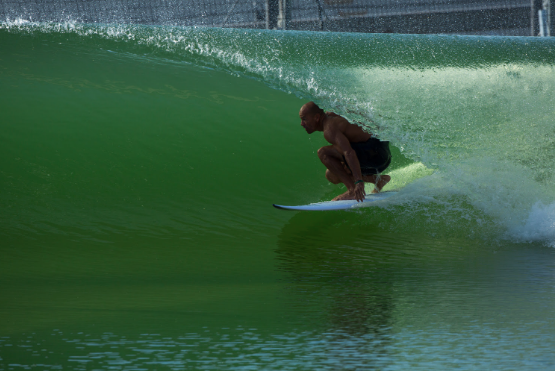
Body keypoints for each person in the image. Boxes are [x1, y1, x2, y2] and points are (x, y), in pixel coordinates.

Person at [299, 101, 391, 202]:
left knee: (323, 153)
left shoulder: (329, 129)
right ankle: (379, 180)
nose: (302, 124)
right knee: (332, 175)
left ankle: (352, 191)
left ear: (317, 117)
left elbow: (349, 152)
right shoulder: (332, 114)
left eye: (304, 119)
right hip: (382, 151)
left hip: (376, 155)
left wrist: (358, 181)